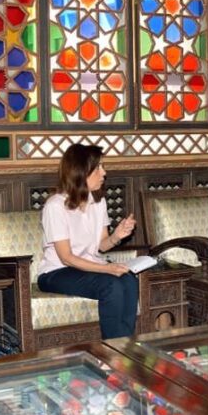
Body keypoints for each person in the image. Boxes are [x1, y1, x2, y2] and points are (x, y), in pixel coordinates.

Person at [37, 143, 139, 339]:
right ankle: (114, 347)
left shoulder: (98, 202)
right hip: (56, 272)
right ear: (81, 171)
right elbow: (66, 257)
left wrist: (117, 236)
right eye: (98, 167)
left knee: (129, 280)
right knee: (111, 285)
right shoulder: (55, 206)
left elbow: (102, 245)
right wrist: (106, 269)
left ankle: (125, 343)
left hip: (87, 266)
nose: (104, 172)